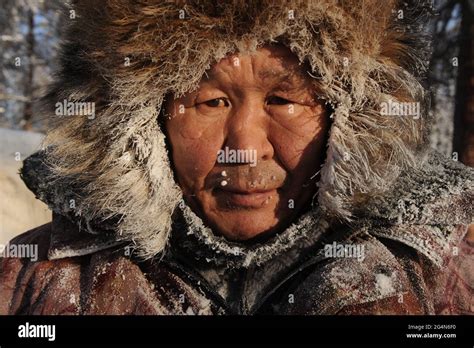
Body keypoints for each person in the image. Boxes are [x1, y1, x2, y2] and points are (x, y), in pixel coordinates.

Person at [0, 0, 472, 315]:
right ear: (144, 123)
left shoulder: (445, 274)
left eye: (283, 100)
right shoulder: (37, 278)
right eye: (210, 102)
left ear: (347, 116)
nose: (245, 148)